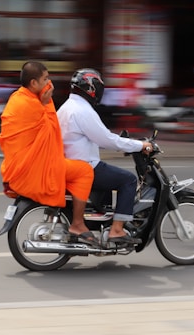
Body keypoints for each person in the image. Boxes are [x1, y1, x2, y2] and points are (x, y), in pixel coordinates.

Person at [0, 61, 97, 245]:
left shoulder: (17, 98)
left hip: (18, 165)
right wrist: (46, 103)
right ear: (34, 83)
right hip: (36, 167)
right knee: (84, 170)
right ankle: (77, 223)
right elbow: (52, 130)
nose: (49, 83)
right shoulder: (32, 104)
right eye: (45, 79)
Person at [57, 68, 153, 246]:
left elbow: (99, 138)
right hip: (84, 166)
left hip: (69, 163)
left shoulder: (66, 107)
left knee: (109, 177)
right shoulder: (82, 111)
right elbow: (107, 140)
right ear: (91, 88)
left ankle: (102, 225)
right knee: (128, 180)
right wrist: (140, 145)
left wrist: (124, 142)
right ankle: (116, 230)